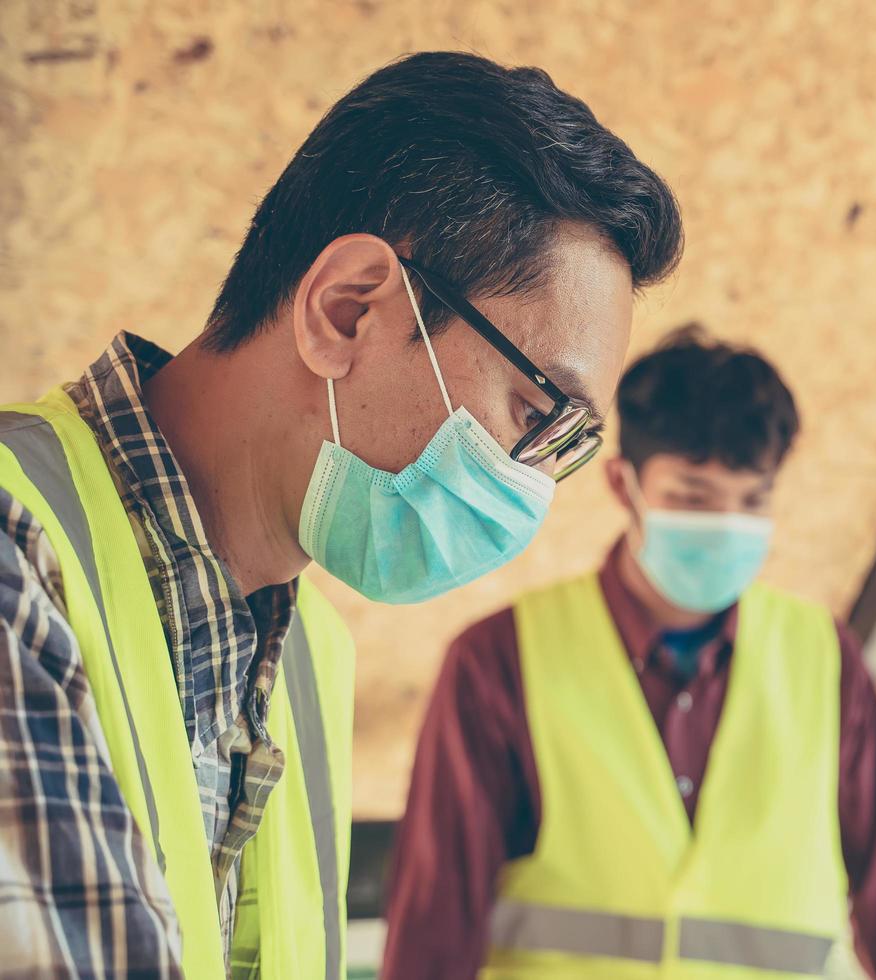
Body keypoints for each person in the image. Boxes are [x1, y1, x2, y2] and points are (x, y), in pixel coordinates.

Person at [0, 51, 681, 978]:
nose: (529, 486)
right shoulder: (17, 546)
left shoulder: (308, 660)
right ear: (348, 308)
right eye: (535, 414)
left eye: (564, 445)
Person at [382, 326, 876, 979]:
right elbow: (432, 938)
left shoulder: (826, 663)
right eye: (692, 498)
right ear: (620, 485)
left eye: (753, 501)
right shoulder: (498, 663)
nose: (725, 525)